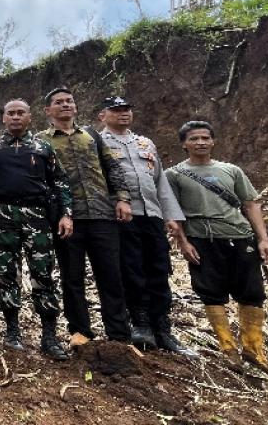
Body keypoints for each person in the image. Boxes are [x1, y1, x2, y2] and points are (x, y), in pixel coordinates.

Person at [166, 121, 268, 372]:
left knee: (252, 292)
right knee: (211, 291)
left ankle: (253, 350)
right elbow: (172, 212)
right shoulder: (173, 175)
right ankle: (228, 349)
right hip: (203, 240)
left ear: (213, 141)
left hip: (240, 235)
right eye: (194, 139)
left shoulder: (231, 170)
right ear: (184, 144)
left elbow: (250, 205)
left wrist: (263, 239)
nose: (201, 142)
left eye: (205, 138)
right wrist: (183, 242)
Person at [97, 97, 196, 356]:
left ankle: (163, 328)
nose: (123, 114)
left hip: (151, 214)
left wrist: (170, 216)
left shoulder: (145, 143)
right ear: (102, 115)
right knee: (131, 269)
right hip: (121, 216)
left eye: (127, 110)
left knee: (159, 269)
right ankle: (141, 325)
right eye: (116, 111)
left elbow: (160, 182)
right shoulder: (98, 142)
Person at [0, 99, 72, 360]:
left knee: (43, 273)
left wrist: (66, 215)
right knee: (7, 273)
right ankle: (12, 332)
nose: (16, 117)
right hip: (4, 215)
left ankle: (49, 336)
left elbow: (60, 182)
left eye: (21, 113)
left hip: (38, 216)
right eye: (11, 113)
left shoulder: (43, 147)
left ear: (29, 117)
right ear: (3, 118)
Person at [36, 87, 132, 346]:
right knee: (72, 277)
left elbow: (111, 166)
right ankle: (80, 331)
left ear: (76, 107)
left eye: (69, 101)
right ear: (48, 111)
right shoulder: (41, 141)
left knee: (111, 275)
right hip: (67, 219)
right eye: (58, 102)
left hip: (102, 214)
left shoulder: (90, 135)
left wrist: (122, 198)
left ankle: (119, 334)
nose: (65, 105)